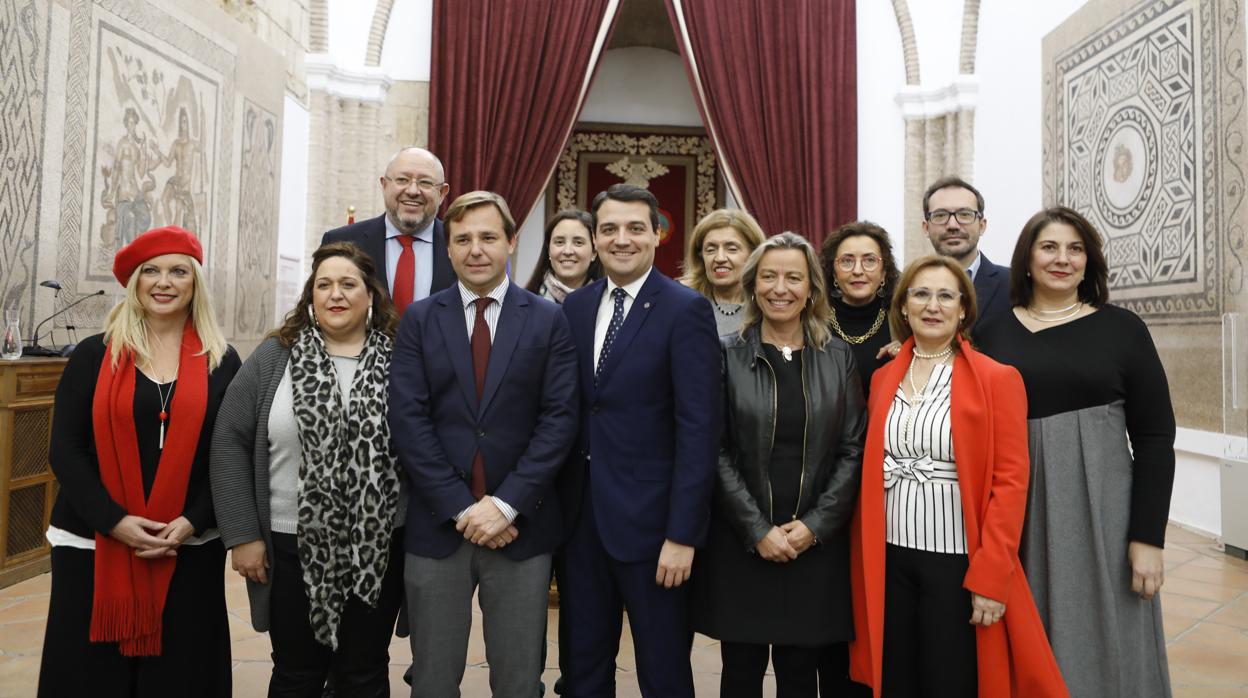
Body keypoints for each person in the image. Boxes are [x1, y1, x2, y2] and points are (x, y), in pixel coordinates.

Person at [976, 207, 1175, 697]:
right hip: (1018, 512)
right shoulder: (992, 333)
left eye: (1075, 249)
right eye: (1049, 247)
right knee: (1028, 633)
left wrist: (1148, 537)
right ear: (1026, 259)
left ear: (1090, 262)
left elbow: (1154, 438)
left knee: (1113, 637)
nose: (1062, 259)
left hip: (1105, 514)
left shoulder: (1123, 329)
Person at [849, 256, 1067, 697]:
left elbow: (1011, 483)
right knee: (895, 680)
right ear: (904, 306)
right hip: (887, 556)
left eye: (946, 295)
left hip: (955, 561)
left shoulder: (997, 379)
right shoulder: (882, 377)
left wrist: (991, 577)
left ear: (964, 309)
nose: (933, 305)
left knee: (949, 679)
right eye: (921, 294)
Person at [389, 191, 579, 696]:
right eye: (463, 239)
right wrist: (462, 507)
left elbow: (558, 420)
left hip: (522, 529)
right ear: (447, 249)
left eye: (489, 237)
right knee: (431, 677)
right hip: (437, 526)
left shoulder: (546, 319)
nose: (476, 249)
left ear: (511, 243)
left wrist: (505, 504)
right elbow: (409, 421)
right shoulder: (420, 319)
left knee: (519, 681)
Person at [38, 225, 239, 697]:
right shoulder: (94, 355)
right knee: (90, 677)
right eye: (151, 271)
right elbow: (66, 449)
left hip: (187, 542)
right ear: (134, 283)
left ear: (195, 284)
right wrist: (115, 521)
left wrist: (193, 520)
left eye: (177, 271)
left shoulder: (222, 362)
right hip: (93, 540)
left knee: (180, 673)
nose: (163, 282)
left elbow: (229, 456)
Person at [210, 242, 405, 696]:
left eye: (348, 284)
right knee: (297, 671)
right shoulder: (275, 355)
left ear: (370, 295)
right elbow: (228, 441)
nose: (335, 294)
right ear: (310, 297)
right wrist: (242, 535)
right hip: (288, 543)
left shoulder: (401, 357)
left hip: (376, 546)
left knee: (365, 669)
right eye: (324, 285)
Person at [558, 183, 722, 697]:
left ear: (657, 235)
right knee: (583, 670)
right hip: (580, 521)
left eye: (634, 228)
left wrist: (683, 534)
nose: (621, 239)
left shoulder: (685, 309)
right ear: (595, 238)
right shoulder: (575, 308)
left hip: (655, 529)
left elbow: (700, 429)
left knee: (663, 672)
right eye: (609, 229)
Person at [689, 232, 866, 697]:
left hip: (814, 544)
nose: (779, 288)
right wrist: (756, 529)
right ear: (752, 285)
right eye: (768, 276)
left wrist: (814, 525)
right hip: (742, 539)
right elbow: (714, 448)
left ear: (812, 289)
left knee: (800, 675)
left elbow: (852, 450)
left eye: (793, 277)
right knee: (741, 672)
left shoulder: (838, 355)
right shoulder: (725, 352)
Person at [322, 146, 456, 313]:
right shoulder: (341, 242)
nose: (413, 191)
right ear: (384, 185)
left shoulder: (460, 244)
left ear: (442, 193)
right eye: (402, 180)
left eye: (425, 182)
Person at [820, 221, 901, 394]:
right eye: (847, 261)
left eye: (869, 260)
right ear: (834, 273)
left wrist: (907, 356)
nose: (857, 270)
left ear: (884, 273)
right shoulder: (814, 321)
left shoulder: (902, 323)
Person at [921, 177, 1010, 333]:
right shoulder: (909, 287)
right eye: (940, 215)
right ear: (926, 228)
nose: (953, 225)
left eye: (965, 214)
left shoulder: (1014, 284)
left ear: (982, 226)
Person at [679, 208, 767, 335]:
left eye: (732, 249)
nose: (720, 258)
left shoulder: (768, 304)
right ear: (700, 256)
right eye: (710, 249)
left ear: (754, 254)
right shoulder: (680, 299)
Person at [525, 208, 602, 303]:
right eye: (559, 242)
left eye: (578, 242)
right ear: (548, 250)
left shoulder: (608, 306)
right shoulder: (524, 304)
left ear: (594, 252)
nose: (567, 251)